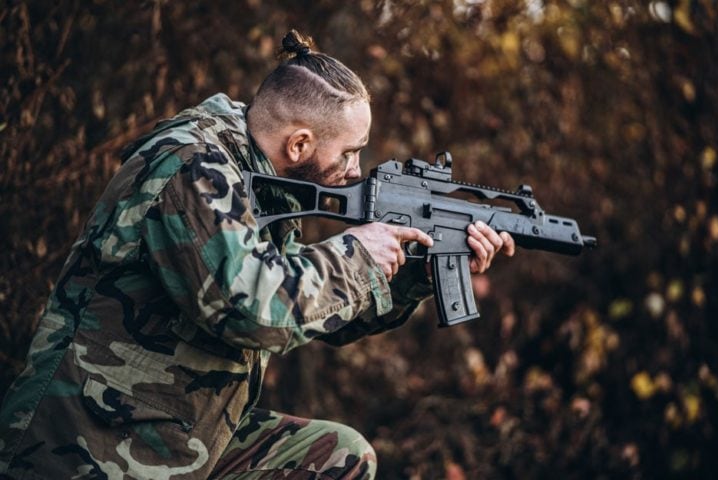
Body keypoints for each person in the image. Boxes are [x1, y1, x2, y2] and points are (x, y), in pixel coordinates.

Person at [0, 30, 514, 479]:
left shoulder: (266, 182)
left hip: (180, 436)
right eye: (350, 151)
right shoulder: (190, 166)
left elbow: (313, 314)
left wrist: (417, 273)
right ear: (299, 144)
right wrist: (356, 255)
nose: (357, 170)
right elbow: (252, 311)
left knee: (338, 457)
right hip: (88, 444)